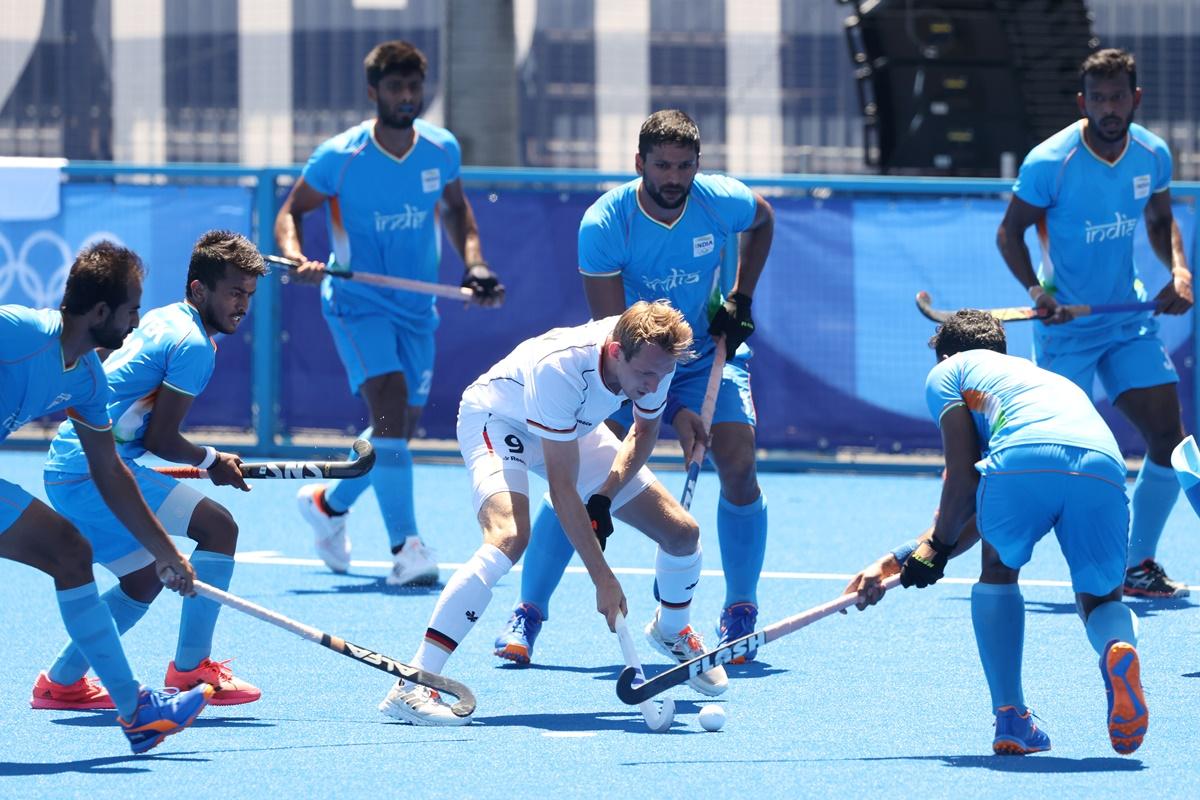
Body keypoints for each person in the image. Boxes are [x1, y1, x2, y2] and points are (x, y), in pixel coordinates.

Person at [494, 109, 775, 666]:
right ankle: (529, 611)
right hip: (632, 358)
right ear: (639, 163)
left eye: (685, 166)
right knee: (585, 471)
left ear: (699, 165)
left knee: (739, 461)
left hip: (703, 352)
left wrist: (741, 297)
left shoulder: (720, 200)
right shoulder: (606, 225)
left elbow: (762, 220)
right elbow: (617, 339)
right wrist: (668, 412)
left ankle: (740, 607)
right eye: (663, 165)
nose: (674, 177)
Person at [378, 301, 728, 725]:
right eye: (645, 376)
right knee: (509, 536)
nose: (654, 386)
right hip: (499, 420)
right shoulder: (560, 368)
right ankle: (413, 682)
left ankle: (672, 627)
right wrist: (603, 577)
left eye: (660, 376)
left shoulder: (657, 359)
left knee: (682, 533)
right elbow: (563, 493)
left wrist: (604, 495)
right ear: (616, 352)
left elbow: (644, 431)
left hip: (572, 430)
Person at [851, 309, 1148, 756]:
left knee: (999, 568)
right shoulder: (1042, 380)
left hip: (1020, 457)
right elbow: (965, 513)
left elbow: (964, 481)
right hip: (1103, 464)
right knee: (1102, 600)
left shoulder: (949, 372)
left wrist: (936, 547)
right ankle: (1115, 647)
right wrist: (901, 558)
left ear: (945, 354)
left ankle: (1011, 717)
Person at [275, 39, 505, 586]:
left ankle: (328, 505)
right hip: (356, 303)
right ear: (374, 91)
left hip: (417, 305)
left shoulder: (440, 148)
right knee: (390, 405)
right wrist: (295, 256)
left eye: (414, 87)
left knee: (397, 427)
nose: (407, 97)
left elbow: (457, 211)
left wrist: (474, 265)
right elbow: (292, 212)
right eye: (396, 87)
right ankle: (408, 548)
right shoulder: (339, 157)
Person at [33, 231, 268, 710]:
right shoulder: (195, 345)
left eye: (248, 295)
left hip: (70, 463)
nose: (242, 305)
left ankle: (61, 683)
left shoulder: (166, 317)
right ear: (200, 290)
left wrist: (201, 461)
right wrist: (210, 461)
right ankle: (191, 670)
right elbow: (162, 439)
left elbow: (132, 423)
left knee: (142, 580)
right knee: (218, 527)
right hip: (87, 470)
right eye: (233, 293)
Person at [0, 241, 213, 753]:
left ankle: (137, 713)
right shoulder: (19, 330)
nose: (138, 321)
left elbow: (111, 474)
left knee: (70, 552)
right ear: (100, 312)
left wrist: (164, 553)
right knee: (68, 550)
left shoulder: (89, 378)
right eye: (132, 309)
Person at [996, 48, 1193, 598]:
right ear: (1083, 102)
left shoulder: (1151, 153)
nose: (1109, 108)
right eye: (1098, 98)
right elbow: (1009, 234)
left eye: (1118, 97)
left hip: (1126, 320)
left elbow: (1159, 218)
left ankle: (1136, 565)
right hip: (1065, 327)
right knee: (1060, 450)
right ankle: (991, 536)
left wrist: (1179, 274)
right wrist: (1038, 293)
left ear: (1136, 99)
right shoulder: (1048, 161)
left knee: (1168, 439)